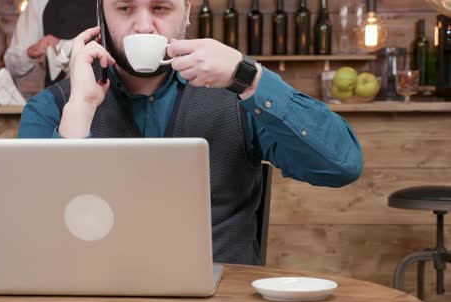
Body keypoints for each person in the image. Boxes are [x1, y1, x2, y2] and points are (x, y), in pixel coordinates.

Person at [18, 0, 364, 265]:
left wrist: (249, 78)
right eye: (124, 8)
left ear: (186, 12)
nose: (143, 26)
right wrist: (80, 107)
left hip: (224, 297)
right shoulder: (55, 106)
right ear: (102, 15)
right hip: (99, 295)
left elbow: (341, 166)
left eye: (160, 7)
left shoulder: (240, 92)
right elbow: (35, 240)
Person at [4, 0, 96, 86]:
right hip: (59, 97)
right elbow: (12, 65)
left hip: (106, 93)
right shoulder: (39, 2)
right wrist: (31, 51)